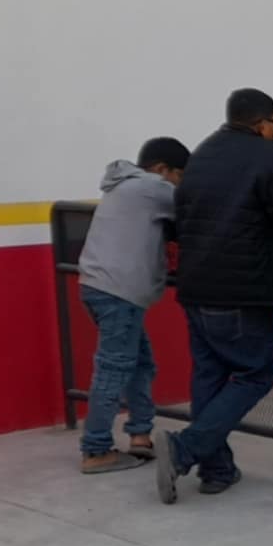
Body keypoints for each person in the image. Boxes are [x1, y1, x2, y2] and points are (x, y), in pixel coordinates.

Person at [156, 88, 273, 504]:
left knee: (210, 375)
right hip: (244, 290)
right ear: (262, 122)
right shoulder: (268, 157)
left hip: (195, 287)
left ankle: (217, 469)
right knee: (256, 372)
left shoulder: (203, 154)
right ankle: (185, 449)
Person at [75, 137, 191, 474]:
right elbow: (195, 207)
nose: (178, 184)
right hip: (119, 292)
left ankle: (140, 434)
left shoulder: (122, 187)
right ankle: (95, 449)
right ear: (161, 169)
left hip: (98, 286)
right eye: (179, 176)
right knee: (113, 370)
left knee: (140, 364)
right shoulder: (152, 188)